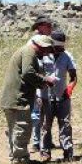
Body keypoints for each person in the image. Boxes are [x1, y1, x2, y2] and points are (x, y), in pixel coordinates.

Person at [0, 34, 57, 164]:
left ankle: (16, 158)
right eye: (46, 50)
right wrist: (45, 80)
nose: (45, 54)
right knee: (22, 128)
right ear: (41, 46)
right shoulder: (29, 52)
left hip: (12, 98)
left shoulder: (26, 51)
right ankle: (20, 160)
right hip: (18, 99)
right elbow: (27, 73)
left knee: (14, 129)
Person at [37, 30, 78, 162]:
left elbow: (73, 77)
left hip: (62, 97)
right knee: (45, 125)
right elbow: (35, 74)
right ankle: (45, 153)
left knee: (65, 125)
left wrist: (70, 88)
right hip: (45, 97)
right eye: (58, 47)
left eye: (62, 46)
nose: (61, 49)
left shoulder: (67, 56)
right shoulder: (42, 56)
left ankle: (67, 152)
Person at [30, 16, 53, 152]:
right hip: (39, 84)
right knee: (37, 114)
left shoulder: (48, 41)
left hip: (48, 85)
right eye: (47, 25)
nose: (50, 27)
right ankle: (36, 142)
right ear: (40, 26)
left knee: (46, 115)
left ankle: (45, 141)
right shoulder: (34, 42)